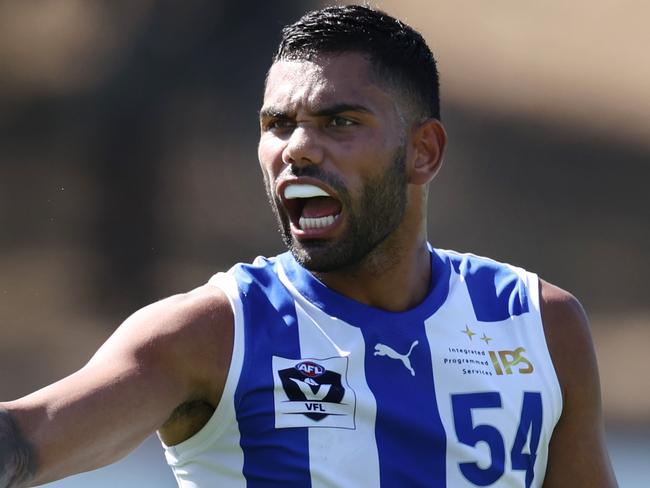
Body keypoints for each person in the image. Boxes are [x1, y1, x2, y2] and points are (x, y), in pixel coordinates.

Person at [0, 5, 617, 487]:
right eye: (278, 125)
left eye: (340, 123)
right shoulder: (214, 334)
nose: (296, 149)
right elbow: (29, 439)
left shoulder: (538, 323)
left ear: (423, 152)